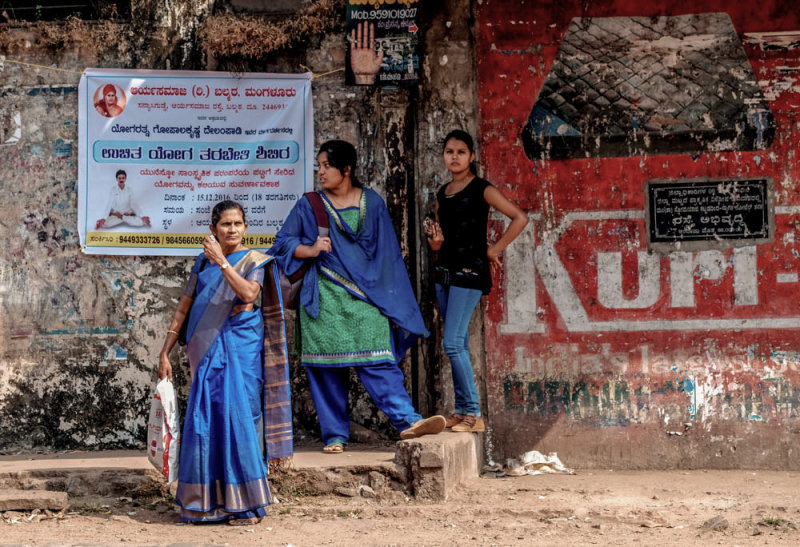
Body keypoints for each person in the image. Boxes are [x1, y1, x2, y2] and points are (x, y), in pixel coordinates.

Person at [270, 140, 445, 453]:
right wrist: (310, 250)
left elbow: (388, 256)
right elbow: (282, 243)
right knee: (325, 372)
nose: (320, 172)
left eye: (326, 165)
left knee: (379, 359)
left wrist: (389, 300)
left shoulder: (372, 203)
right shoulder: (309, 204)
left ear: (346, 169)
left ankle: (408, 421)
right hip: (322, 297)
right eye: (319, 166)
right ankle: (335, 435)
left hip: (366, 298)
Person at [158, 200, 292, 524]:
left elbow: (248, 294)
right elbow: (183, 309)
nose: (232, 229)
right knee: (207, 421)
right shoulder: (200, 264)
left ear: (246, 227)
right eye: (225, 225)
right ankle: (204, 503)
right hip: (206, 349)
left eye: (237, 224)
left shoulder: (254, 260)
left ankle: (245, 505)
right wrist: (165, 352)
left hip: (240, 346)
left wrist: (221, 262)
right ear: (213, 229)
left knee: (241, 418)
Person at [425, 130, 528, 433]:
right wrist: (435, 243)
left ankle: (473, 413)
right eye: (449, 152)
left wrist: (494, 250)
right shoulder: (443, 193)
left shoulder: (482, 188)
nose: (454, 157)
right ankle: (461, 410)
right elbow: (444, 240)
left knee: (452, 343)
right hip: (445, 272)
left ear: (471, 156)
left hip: (469, 274)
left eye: (460, 152)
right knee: (457, 343)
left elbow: (520, 218)